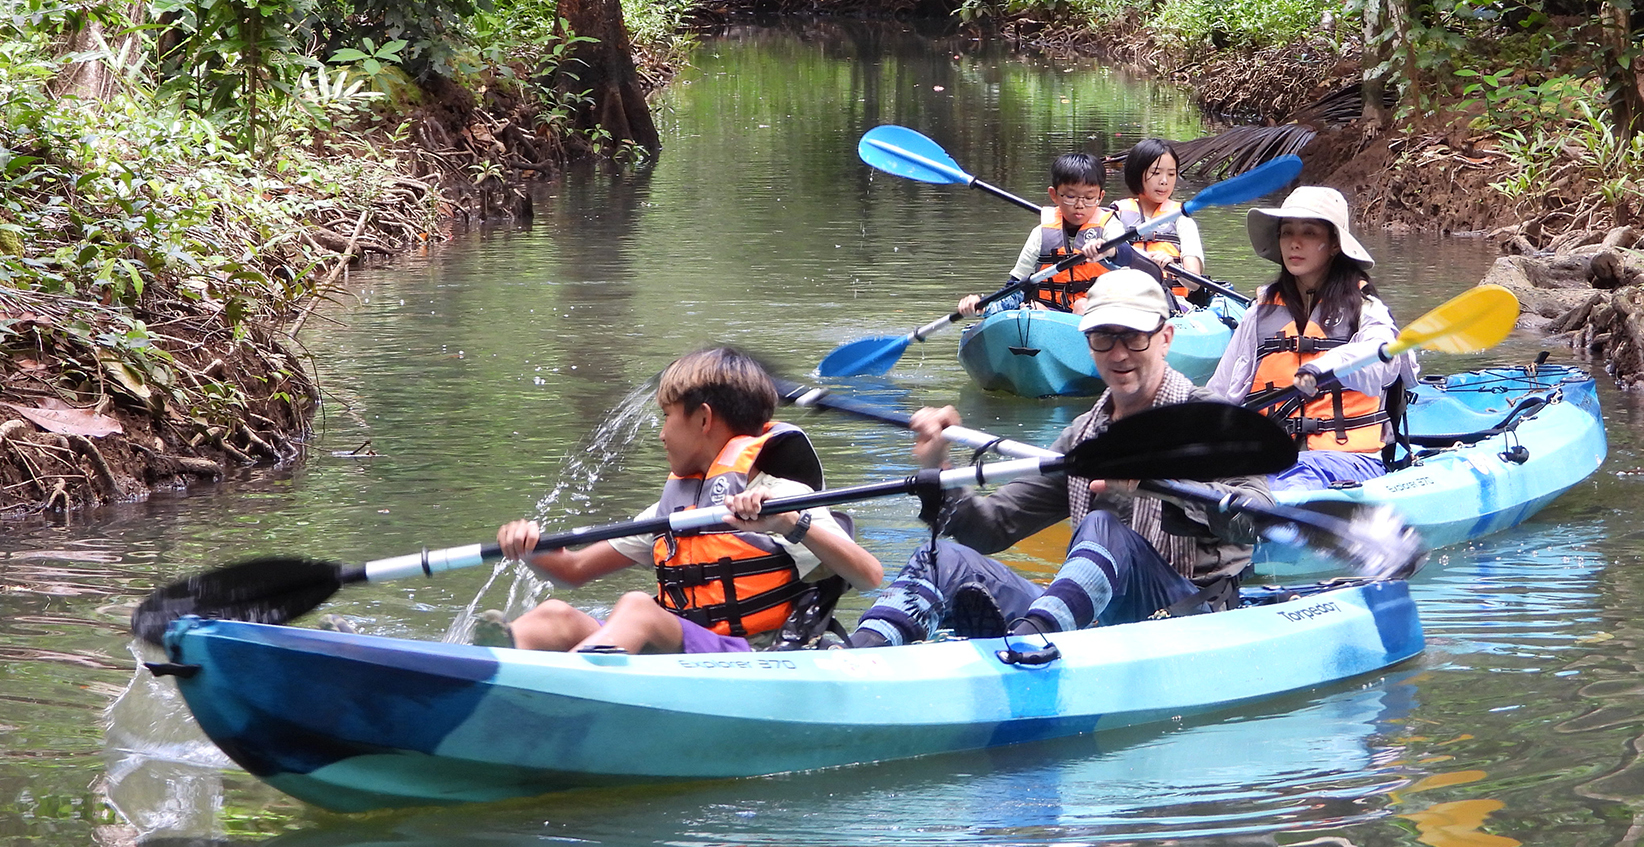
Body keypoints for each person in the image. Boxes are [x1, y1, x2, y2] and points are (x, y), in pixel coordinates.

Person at [850, 268, 1255, 647]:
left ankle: (1028, 647)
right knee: (940, 561)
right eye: (1103, 337)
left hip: (1190, 616)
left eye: (1133, 336)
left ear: (1166, 337)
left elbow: (1257, 518)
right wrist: (939, 468)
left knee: (1102, 526)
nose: (1118, 354)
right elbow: (991, 528)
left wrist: (1165, 485)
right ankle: (854, 658)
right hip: (1097, 615)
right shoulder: (1082, 437)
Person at [481, 348, 884, 654]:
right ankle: (485, 667)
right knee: (557, 615)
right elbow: (573, 569)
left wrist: (788, 523)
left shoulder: (783, 497)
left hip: (754, 662)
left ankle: (565, 687)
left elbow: (869, 575)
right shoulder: (674, 510)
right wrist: (529, 548)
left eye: (666, 416)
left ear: (704, 419)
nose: (660, 434)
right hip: (684, 659)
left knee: (637, 608)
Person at [1204, 185, 1417, 491]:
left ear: (1333, 244)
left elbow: (1381, 363)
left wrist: (1324, 368)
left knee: (1294, 478)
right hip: (1271, 459)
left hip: (1349, 460)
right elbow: (1222, 391)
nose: (1295, 243)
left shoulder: (1366, 309)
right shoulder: (1259, 313)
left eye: (1309, 233)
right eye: (1287, 232)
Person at [955, 151, 1128, 317]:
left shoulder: (1109, 227)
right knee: (1030, 310)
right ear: (1054, 195)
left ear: (1100, 196)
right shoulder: (1040, 234)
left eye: (1089, 198)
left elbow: (1129, 258)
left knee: (1082, 306)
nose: (1079, 205)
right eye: (1070, 196)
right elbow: (1015, 289)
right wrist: (983, 306)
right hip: (1051, 316)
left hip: (1099, 315)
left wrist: (1109, 250)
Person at [1112, 137, 1205, 308]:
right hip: (1122, 301)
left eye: (1171, 174)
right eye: (1156, 173)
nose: (1164, 181)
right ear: (1137, 173)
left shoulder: (1182, 220)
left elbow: (1194, 282)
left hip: (1171, 303)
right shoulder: (1115, 215)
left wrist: (1172, 266)